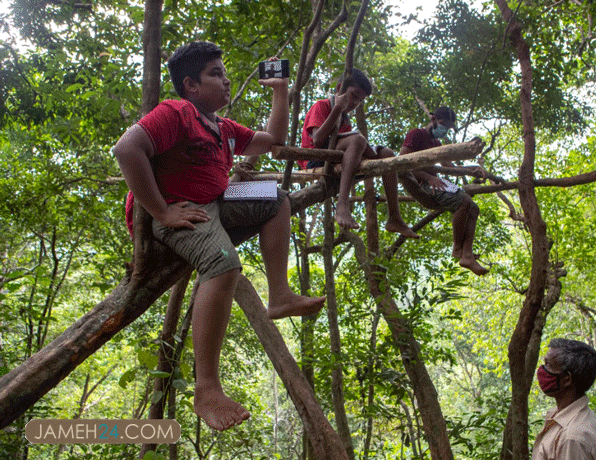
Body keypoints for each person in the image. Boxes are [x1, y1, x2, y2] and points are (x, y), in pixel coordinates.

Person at [112, 41, 326, 431]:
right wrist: (160, 210)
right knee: (222, 263)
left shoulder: (222, 127)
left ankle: (278, 295)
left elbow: (272, 140)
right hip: (179, 207)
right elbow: (127, 149)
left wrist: (280, 91)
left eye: (225, 74)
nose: (226, 81)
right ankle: (206, 387)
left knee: (276, 197)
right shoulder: (177, 112)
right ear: (190, 85)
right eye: (216, 74)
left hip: (215, 200)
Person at [301, 69, 418, 238]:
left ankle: (394, 216)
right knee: (358, 140)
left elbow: (351, 148)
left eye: (360, 100)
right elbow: (318, 140)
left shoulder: (345, 119)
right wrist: (337, 110)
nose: (355, 103)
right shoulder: (323, 105)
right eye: (354, 96)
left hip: (338, 162)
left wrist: (372, 151)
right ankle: (343, 203)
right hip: (316, 161)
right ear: (340, 88)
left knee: (387, 153)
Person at [399, 106, 488, 275]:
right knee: (464, 202)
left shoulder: (437, 143)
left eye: (447, 127)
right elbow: (401, 163)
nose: (444, 129)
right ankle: (457, 249)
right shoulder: (416, 134)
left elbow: (450, 167)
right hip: (422, 183)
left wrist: (471, 169)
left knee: (474, 208)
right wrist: (428, 177)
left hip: (437, 182)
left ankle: (467, 254)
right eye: (442, 124)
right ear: (433, 120)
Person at [532, 338, 596, 460]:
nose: (542, 370)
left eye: (548, 365)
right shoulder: (565, 416)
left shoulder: (572, 438)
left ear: (566, 379)